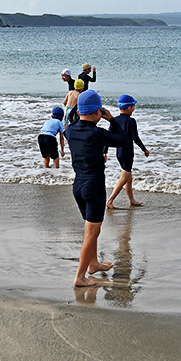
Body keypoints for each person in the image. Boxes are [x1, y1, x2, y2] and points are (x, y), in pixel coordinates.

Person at [66, 90, 127, 287]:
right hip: (94, 186)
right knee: (91, 233)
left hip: (78, 186)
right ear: (98, 111)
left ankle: (92, 264)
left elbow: (74, 121)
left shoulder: (70, 130)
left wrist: (89, 112)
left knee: (91, 230)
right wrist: (112, 120)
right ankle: (80, 277)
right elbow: (122, 140)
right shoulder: (97, 133)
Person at [107, 94, 149, 209]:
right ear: (129, 107)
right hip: (128, 153)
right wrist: (144, 149)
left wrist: (104, 152)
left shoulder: (114, 120)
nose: (134, 109)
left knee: (129, 177)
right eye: (133, 106)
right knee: (124, 178)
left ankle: (132, 200)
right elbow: (135, 138)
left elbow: (108, 136)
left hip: (119, 153)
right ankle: (110, 200)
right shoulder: (131, 121)